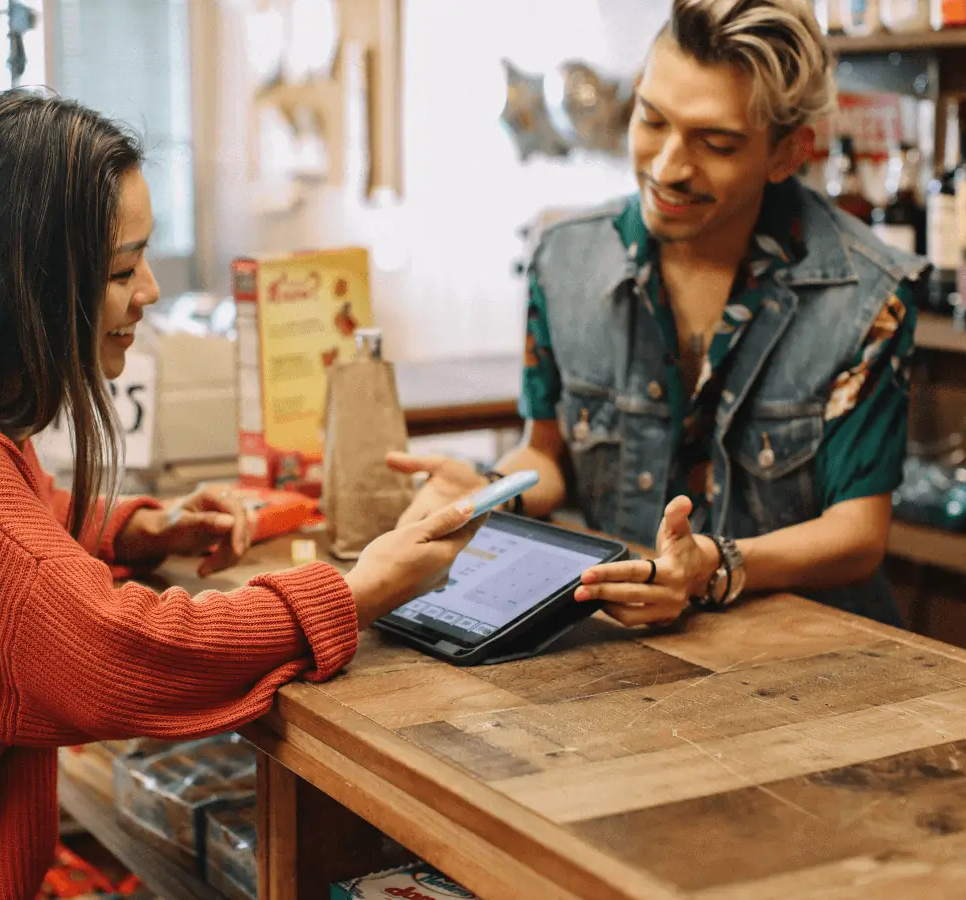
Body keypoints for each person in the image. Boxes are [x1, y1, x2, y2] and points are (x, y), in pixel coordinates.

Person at [0, 90, 481, 899]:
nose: (149, 290)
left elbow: (17, 532)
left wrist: (142, 529)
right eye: (122, 269)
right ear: (30, 286)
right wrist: (358, 589)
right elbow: (121, 650)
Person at [393, 0, 926, 628]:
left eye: (718, 143)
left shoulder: (867, 294)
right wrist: (484, 493)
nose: (668, 167)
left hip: (808, 658)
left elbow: (859, 534)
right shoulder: (564, 260)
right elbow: (547, 455)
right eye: (651, 119)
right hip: (607, 644)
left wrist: (717, 565)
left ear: (788, 155)